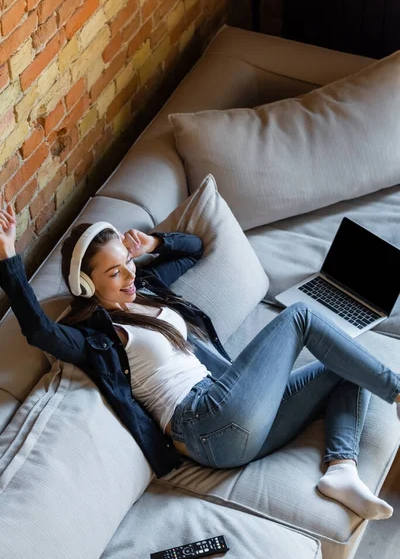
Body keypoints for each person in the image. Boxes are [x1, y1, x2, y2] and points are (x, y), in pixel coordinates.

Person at [0, 194, 399, 522]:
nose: (129, 277)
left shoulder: (147, 288)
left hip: (231, 418)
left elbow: (194, 249)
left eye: (127, 265)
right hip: (204, 423)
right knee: (301, 317)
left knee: (348, 369)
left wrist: (152, 245)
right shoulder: (97, 336)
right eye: (114, 274)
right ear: (86, 285)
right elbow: (39, 331)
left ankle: (341, 470)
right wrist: (8, 257)